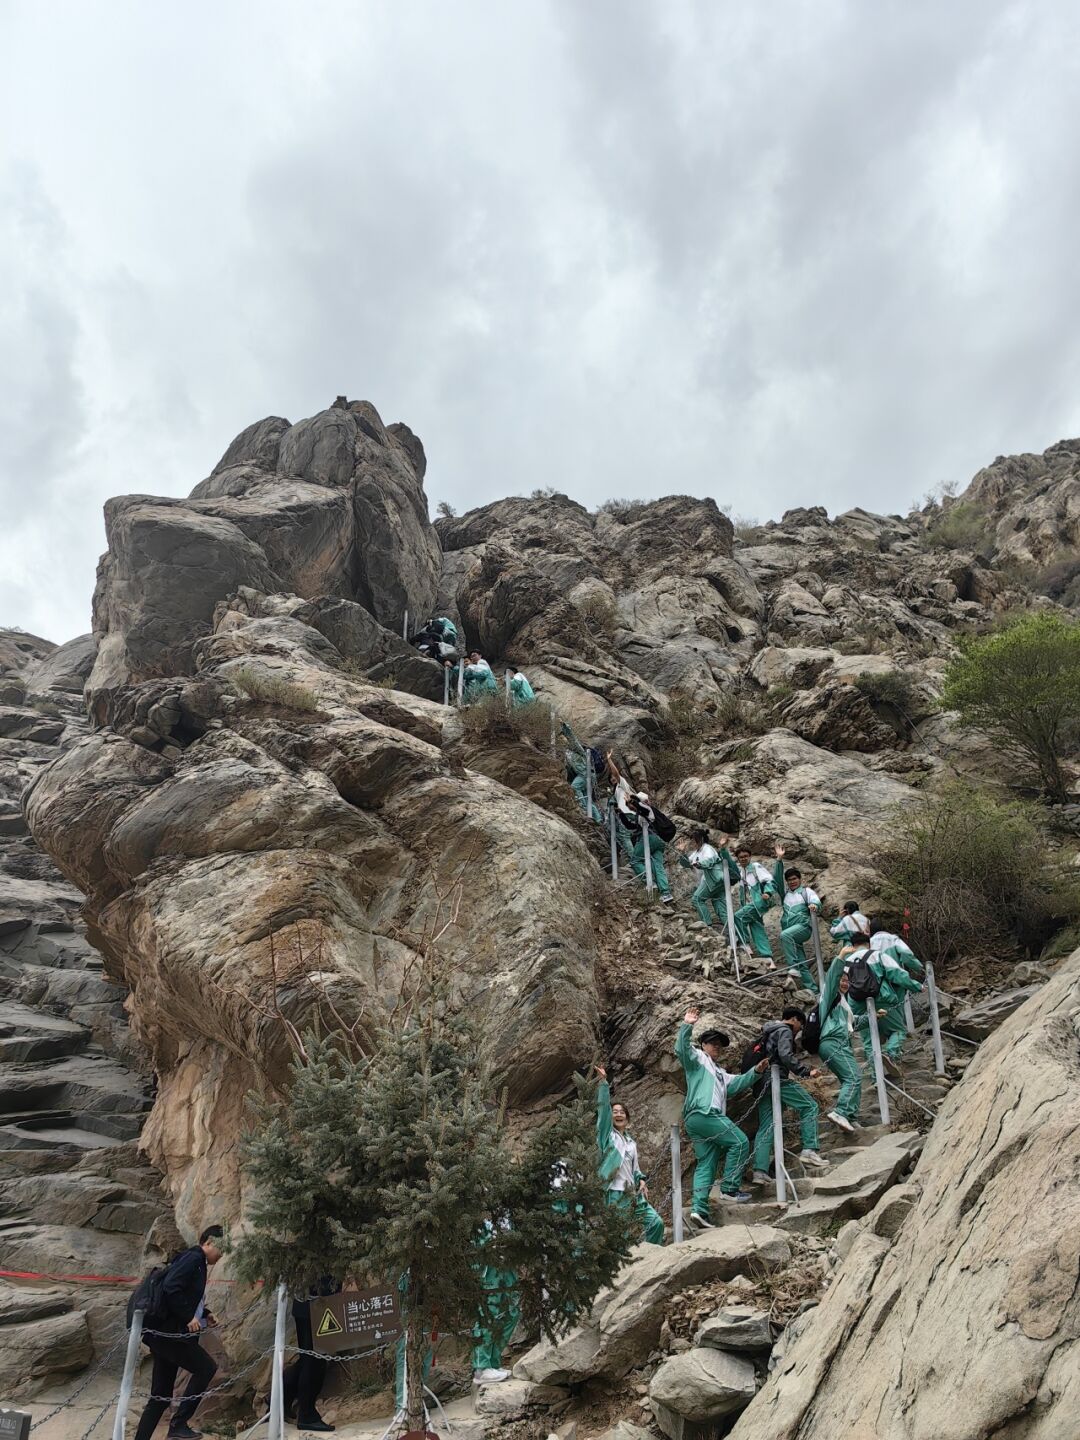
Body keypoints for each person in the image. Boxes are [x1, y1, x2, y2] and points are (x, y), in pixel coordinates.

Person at [675, 1008, 766, 1225]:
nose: (717, 1047)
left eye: (720, 1045)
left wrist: (757, 1071)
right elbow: (681, 1049)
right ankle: (729, 1189)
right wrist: (687, 1024)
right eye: (713, 1043)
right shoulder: (698, 1059)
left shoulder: (720, 1072)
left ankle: (699, 1210)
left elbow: (738, 1083)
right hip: (705, 1113)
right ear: (704, 1045)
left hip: (697, 1120)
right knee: (740, 1142)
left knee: (707, 1162)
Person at [133, 1225, 225, 1440]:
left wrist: (205, 1313)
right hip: (171, 1335)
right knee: (206, 1368)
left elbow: (183, 1292)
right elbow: (172, 1287)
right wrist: (189, 1317)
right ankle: (179, 1424)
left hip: (164, 1335)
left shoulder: (195, 1261)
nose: (221, 1256)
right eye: (221, 1249)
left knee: (161, 1395)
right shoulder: (194, 1259)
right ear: (209, 1242)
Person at [750, 1009, 829, 1185]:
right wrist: (806, 1071)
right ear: (794, 1019)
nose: (799, 1029)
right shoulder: (784, 1030)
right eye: (800, 1024)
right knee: (809, 1106)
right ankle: (809, 1150)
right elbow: (785, 1055)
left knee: (767, 1126)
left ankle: (760, 1171)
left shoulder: (769, 1031)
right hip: (776, 1078)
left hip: (761, 1082)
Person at [594, 1065, 665, 1244]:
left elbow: (635, 1169)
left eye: (622, 1112)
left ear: (627, 1118)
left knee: (656, 1223)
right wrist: (603, 1084)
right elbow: (603, 1112)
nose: (618, 1115)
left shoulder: (631, 1142)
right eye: (615, 1112)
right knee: (620, 1237)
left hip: (632, 1194)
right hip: (614, 1193)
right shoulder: (607, 1136)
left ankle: (651, 1255)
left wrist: (641, 1180)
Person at [845, 942, 922, 1071]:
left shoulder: (846, 961)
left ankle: (877, 1078)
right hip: (881, 998)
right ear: (869, 944)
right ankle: (891, 1054)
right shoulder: (877, 955)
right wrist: (916, 986)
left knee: (869, 1040)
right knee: (897, 1030)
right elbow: (896, 974)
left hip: (856, 1002)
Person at [607, 755, 674, 901]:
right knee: (658, 866)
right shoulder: (643, 813)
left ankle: (650, 882)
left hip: (649, 838)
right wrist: (622, 815)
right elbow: (631, 826)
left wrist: (609, 760)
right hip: (658, 841)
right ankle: (666, 893)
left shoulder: (646, 809)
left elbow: (639, 807)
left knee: (636, 861)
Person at [282, 1278, 338, 1433]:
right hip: (316, 1300)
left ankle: (281, 1400)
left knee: (308, 1358)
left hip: (305, 1298)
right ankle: (307, 1414)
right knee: (314, 1360)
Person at [816, 956, 862, 1133]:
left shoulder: (843, 1003)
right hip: (832, 1042)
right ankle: (841, 1112)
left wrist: (874, 1016)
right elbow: (831, 977)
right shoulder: (830, 996)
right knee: (854, 1077)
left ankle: (850, 1116)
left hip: (839, 1043)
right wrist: (840, 958)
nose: (845, 983)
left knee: (850, 1078)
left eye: (847, 981)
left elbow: (853, 1024)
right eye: (842, 980)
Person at [472, 1220, 520, 1384]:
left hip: (508, 1261)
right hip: (489, 1262)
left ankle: (493, 1362)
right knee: (489, 1311)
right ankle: (481, 1368)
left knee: (512, 1312)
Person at [721, 839, 784, 959]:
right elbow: (730, 864)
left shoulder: (755, 867)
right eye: (741, 857)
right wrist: (723, 850)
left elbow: (769, 880)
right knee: (756, 927)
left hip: (759, 902)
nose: (743, 859)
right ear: (738, 859)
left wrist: (767, 892)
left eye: (746, 856)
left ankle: (745, 946)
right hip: (751, 905)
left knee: (738, 917)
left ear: (750, 856)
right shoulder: (741, 872)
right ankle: (767, 957)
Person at [776, 849, 821, 990]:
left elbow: (816, 901)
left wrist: (814, 905)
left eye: (794, 879)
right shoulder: (785, 894)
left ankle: (792, 967)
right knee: (802, 961)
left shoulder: (806, 891)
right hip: (792, 933)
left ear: (800, 879)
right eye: (789, 880)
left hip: (803, 928)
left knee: (784, 935)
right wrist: (779, 860)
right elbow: (777, 880)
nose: (792, 882)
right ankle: (812, 989)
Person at [675, 828, 728, 927]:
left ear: (701, 840)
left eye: (694, 839)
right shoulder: (696, 853)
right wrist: (682, 853)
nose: (692, 842)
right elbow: (687, 864)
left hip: (711, 880)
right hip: (717, 882)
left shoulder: (707, 848)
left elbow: (711, 860)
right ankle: (737, 936)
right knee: (721, 909)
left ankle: (707, 925)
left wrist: (700, 864)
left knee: (697, 899)